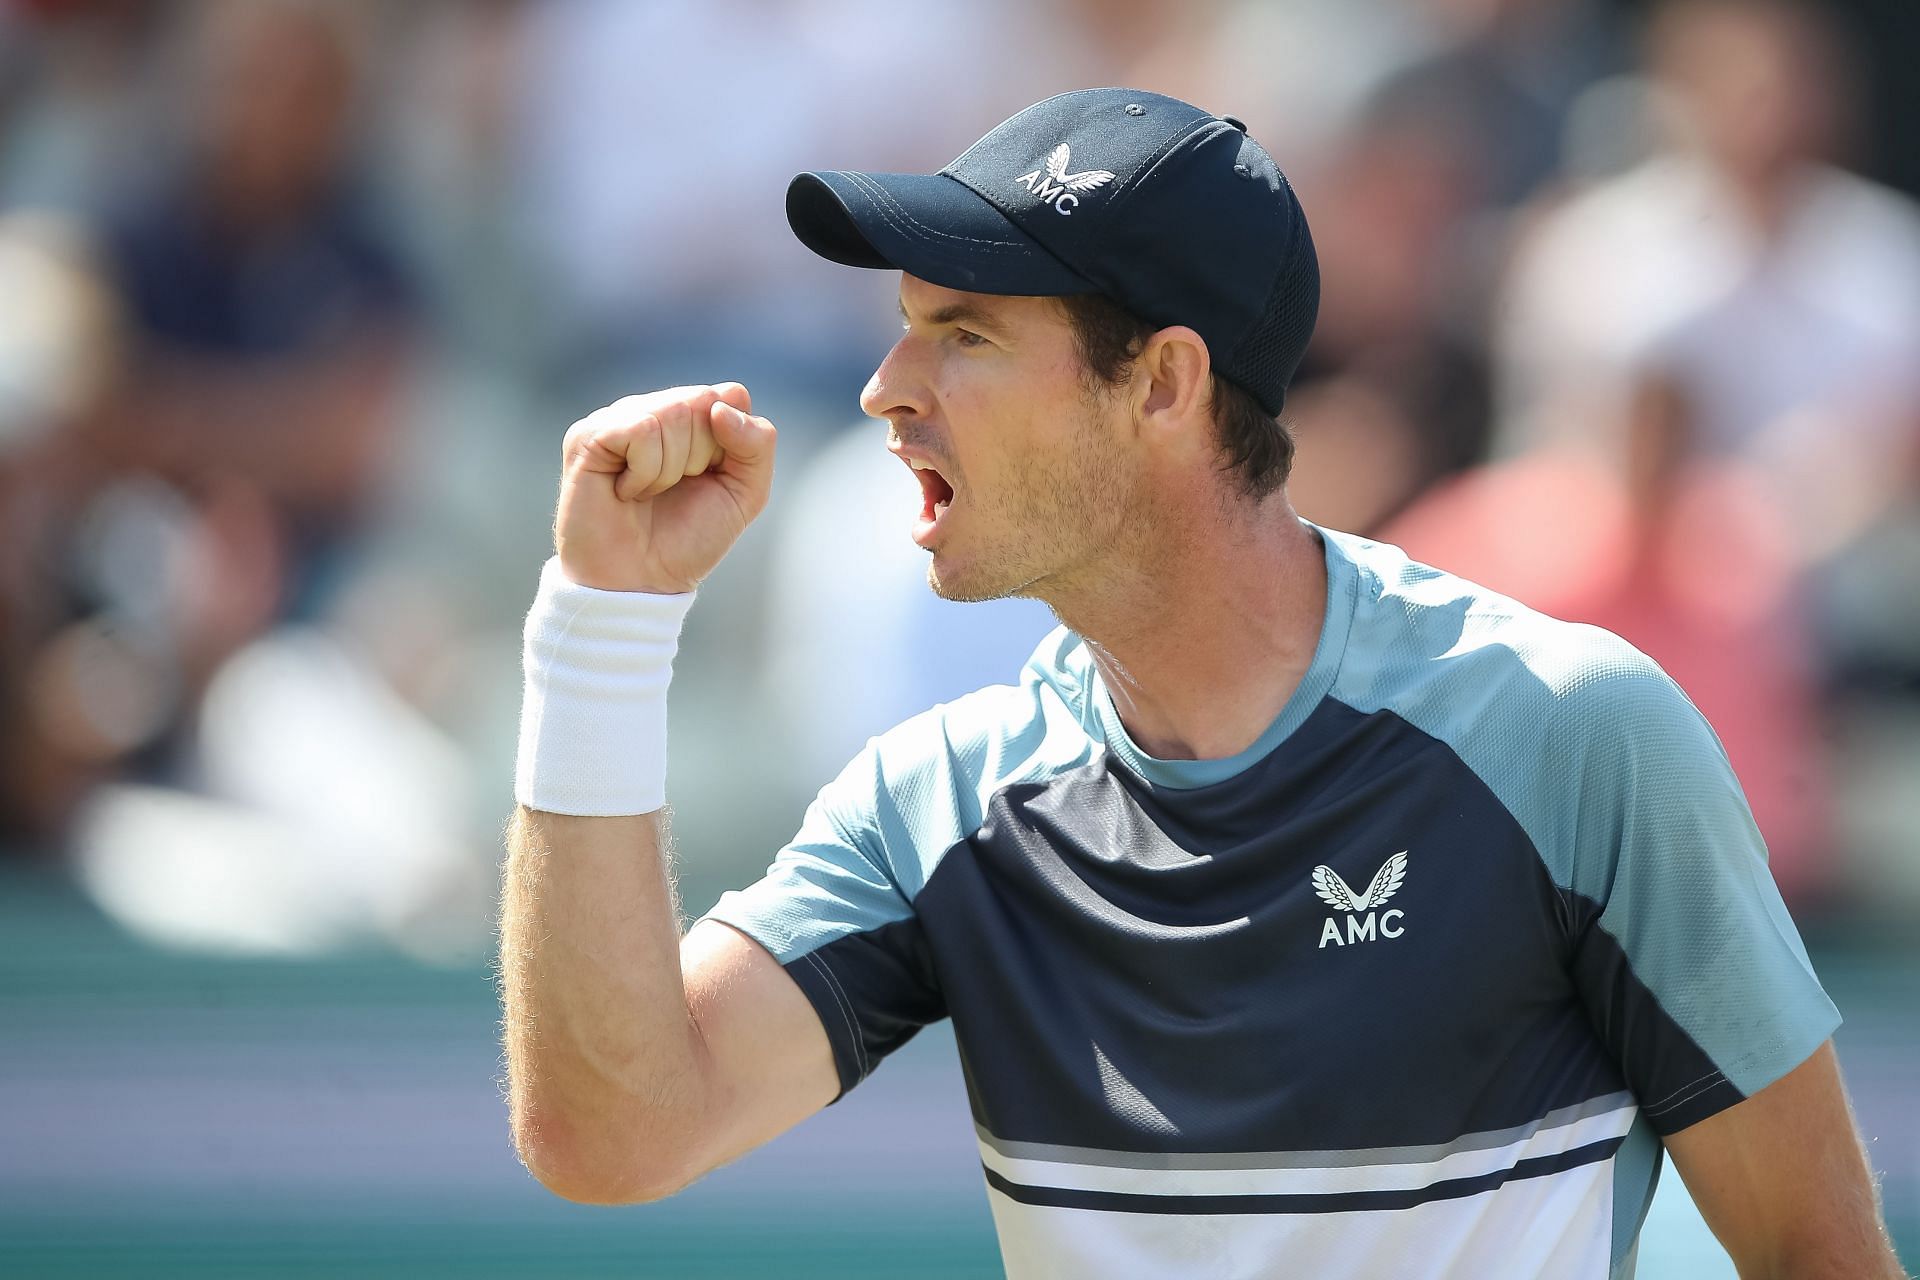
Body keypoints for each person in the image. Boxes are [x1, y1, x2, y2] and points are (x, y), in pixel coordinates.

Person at [498, 89, 1903, 1278]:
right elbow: (614, 1135)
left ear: (1165, 385)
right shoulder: (936, 803)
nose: (885, 386)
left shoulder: (1572, 736)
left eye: (965, 333)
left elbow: (1819, 1257)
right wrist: (601, 629)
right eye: (906, 325)